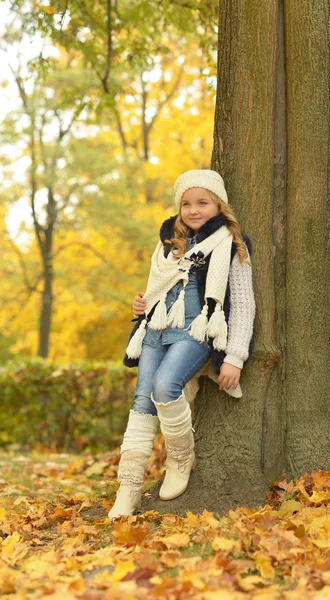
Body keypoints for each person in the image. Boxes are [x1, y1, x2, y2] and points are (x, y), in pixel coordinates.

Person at [108, 169, 256, 519]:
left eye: (202, 202)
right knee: (142, 399)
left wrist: (235, 356)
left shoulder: (231, 244)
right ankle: (127, 488)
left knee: (164, 386)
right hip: (156, 331)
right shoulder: (168, 246)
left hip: (197, 334)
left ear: (218, 204)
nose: (194, 210)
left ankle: (180, 457)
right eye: (186, 203)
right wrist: (140, 306)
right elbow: (156, 291)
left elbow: (244, 303)